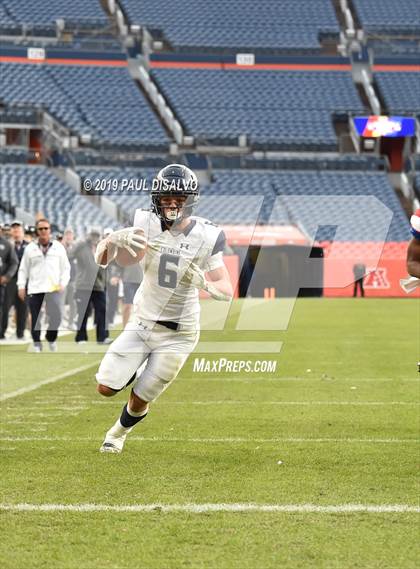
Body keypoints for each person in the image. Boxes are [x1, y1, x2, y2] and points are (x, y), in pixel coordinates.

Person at [94, 164, 233, 453]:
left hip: (179, 334)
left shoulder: (207, 236)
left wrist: (205, 284)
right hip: (143, 323)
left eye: (178, 199)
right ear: (156, 199)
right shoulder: (144, 223)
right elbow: (102, 260)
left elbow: (226, 290)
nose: (172, 204)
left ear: (190, 201)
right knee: (106, 387)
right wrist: (109, 241)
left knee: (141, 397)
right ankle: (136, 366)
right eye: (166, 198)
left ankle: (117, 434)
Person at [17, 218, 70, 352]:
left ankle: (51, 338)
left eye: (46, 228)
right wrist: (21, 286)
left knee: (57, 315)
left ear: (50, 230)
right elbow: (23, 269)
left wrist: (63, 283)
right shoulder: (30, 248)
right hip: (36, 288)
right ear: (37, 231)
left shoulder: (58, 247)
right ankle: (36, 343)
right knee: (35, 317)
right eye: (40, 229)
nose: (43, 231)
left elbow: (66, 268)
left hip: (54, 288)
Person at [69, 227, 110, 344]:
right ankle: (81, 337)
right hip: (83, 285)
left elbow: (105, 266)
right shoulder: (81, 246)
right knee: (83, 312)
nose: (94, 238)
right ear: (88, 235)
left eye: (97, 236)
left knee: (102, 310)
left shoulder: (101, 248)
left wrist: (105, 282)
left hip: (98, 285)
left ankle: (102, 337)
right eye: (93, 235)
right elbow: (69, 255)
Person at [1, 220, 29, 340]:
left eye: (18, 230)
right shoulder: (6, 244)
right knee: (5, 307)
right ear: (11, 232)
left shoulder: (29, 246)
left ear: (22, 232)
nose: (16, 232)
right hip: (10, 280)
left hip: (24, 281)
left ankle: (20, 333)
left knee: (22, 307)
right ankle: (2, 332)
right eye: (14, 230)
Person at [0, 231, 19, 340]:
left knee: (2, 308)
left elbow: (14, 262)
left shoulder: (6, 244)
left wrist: (7, 276)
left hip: (1, 283)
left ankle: (1, 333)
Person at [121, 261, 143, 328]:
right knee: (127, 306)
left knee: (141, 307)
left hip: (141, 281)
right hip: (128, 280)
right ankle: (124, 329)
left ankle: (140, 327)